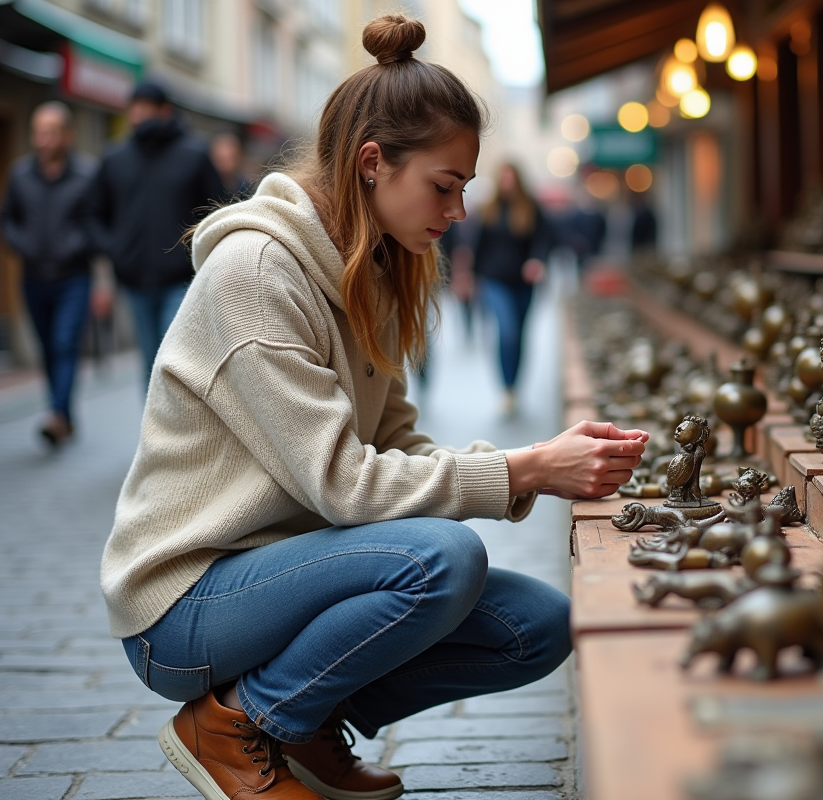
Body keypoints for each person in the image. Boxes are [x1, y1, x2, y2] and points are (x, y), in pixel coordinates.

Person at [99, 14, 647, 800]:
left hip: (291, 580)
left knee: (539, 627)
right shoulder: (256, 274)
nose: (457, 212)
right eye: (445, 186)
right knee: (440, 559)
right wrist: (524, 466)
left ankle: (301, 719)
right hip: (185, 607)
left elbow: (396, 443)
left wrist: (535, 468)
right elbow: (347, 487)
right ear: (370, 163)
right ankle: (234, 722)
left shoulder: (374, 271)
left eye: (465, 190)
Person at [87, 79, 226, 386]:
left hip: (181, 279)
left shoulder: (194, 154)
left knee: (174, 359)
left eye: (145, 108)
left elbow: (219, 210)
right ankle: (153, 433)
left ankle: (182, 430)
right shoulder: (114, 158)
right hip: (135, 282)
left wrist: (196, 254)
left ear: (165, 110)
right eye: (134, 108)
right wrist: (115, 249)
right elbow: (93, 215)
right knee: (150, 363)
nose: (138, 115)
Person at [0, 101, 96, 446]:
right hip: (33, 276)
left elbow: (96, 223)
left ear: (68, 135)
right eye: (38, 132)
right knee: (47, 348)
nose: (43, 140)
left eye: (50, 132)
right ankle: (65, 415)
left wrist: (77, 245)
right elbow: (7, 217)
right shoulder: (21, 174)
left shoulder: (86, 175)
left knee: (64, 343)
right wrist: (20, 244)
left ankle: (55, 415)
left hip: (74, 276)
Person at [467, 162, 551, 416]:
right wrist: (470, 277)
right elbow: (477, 245)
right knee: (508, 332)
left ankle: (515, 387)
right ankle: (505, 388)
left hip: (523, 284)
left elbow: (544, 240)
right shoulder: (488, 210)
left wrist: (538, 260)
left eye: (511, 178)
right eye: (503, 178)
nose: (507, 183)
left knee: (521, 336)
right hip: (494, 281)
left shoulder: (530, 208)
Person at [210, 132, 253, 199]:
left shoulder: (245, 188)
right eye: (221, 159)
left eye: (231, 158)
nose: (225, 164)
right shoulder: (204, 186)